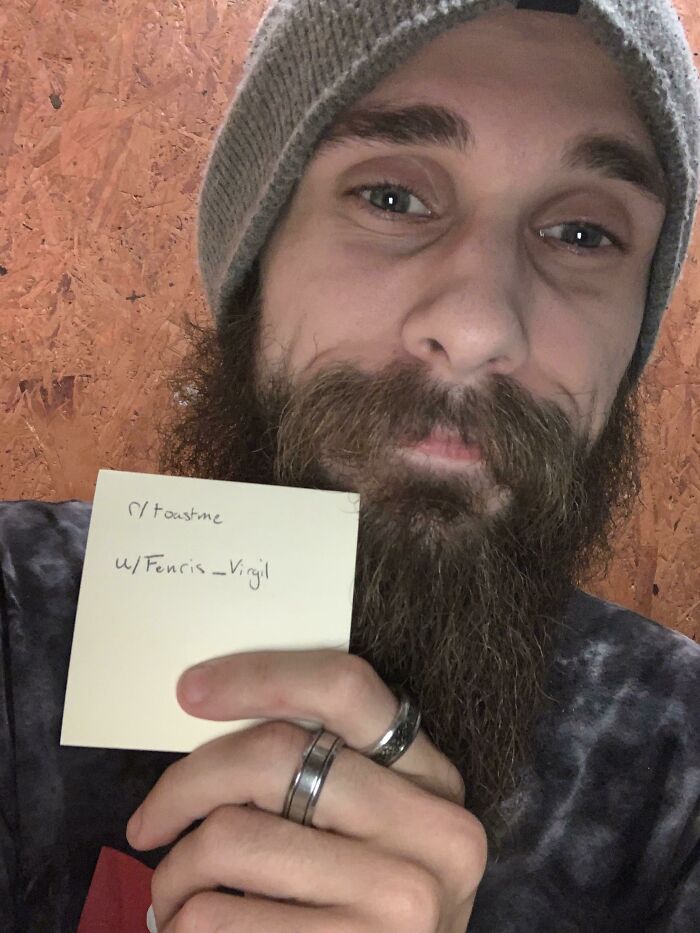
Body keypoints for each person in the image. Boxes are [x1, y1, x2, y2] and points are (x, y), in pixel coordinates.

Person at [1, 0, 699, 929]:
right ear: (255, 264)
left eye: (583, 235)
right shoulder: (15, 619)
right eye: (392, 198)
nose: (479, 327)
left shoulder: (678, 775)